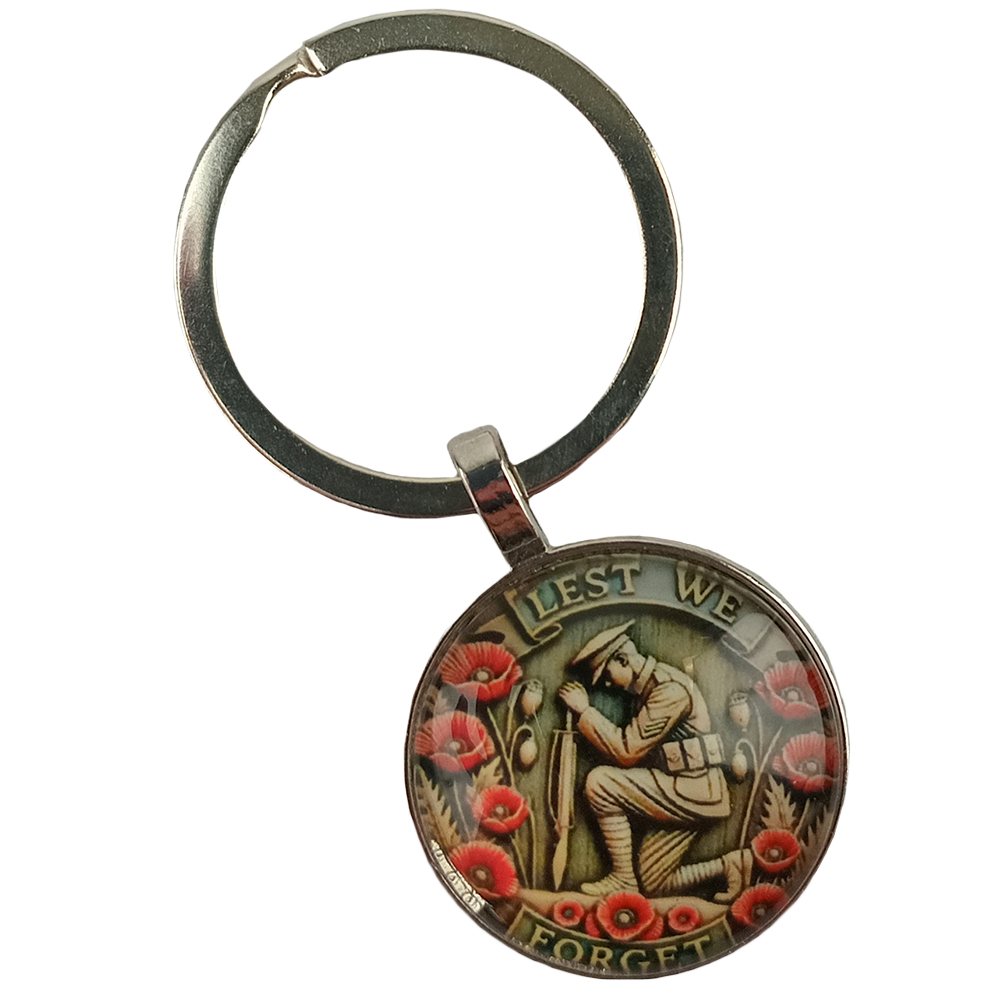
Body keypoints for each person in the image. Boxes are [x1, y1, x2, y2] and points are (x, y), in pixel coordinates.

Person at [558, 621, 731, 896]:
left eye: (606, 675)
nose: (606, 684)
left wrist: (585, 711)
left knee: (600, 783)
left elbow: (627, 751)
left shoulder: (669, 691)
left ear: (623, 660)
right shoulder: (651, 687)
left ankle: (623, 877)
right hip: (686, 787)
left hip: (691, 790)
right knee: (654, 884)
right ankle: (731, 865)